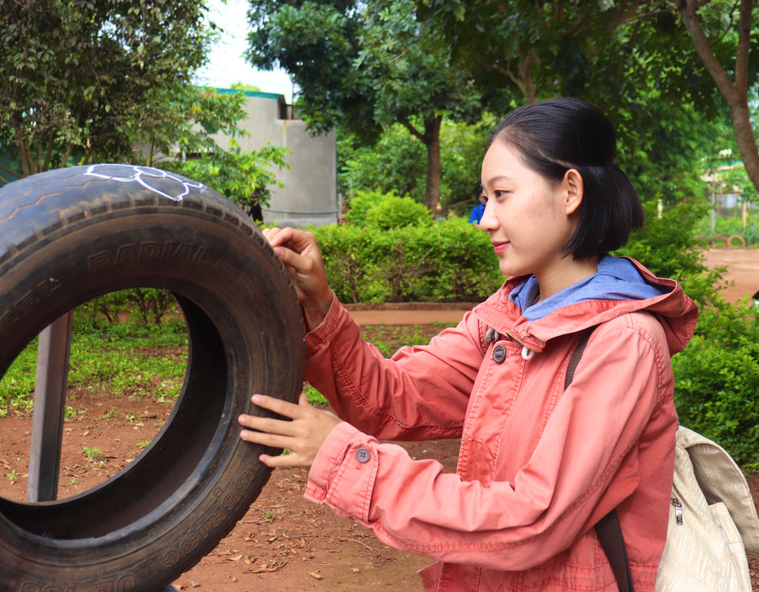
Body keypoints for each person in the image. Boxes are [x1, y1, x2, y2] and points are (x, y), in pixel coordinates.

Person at [239, 97, 699, 591]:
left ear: (570, 191)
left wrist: (344, 457)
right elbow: (390, 398)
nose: (485, 219)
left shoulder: (624, 342)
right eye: (485, 199)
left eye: (502, 194)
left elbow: (532, 520)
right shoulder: (506, 319)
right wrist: (319, 303)